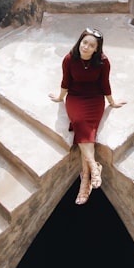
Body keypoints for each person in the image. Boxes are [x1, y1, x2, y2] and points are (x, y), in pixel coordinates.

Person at [49, 27, 126, 204]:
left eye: (91, 45)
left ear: (96, 49)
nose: (86, 47)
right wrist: (60, 97)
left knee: (84, 128)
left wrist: (112, 102)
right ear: (80, 42)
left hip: (95, 98)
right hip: (75, 97)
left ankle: (86, 178)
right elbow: (66, 82)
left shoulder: (103, 62)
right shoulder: (69, 59)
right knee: (79, 121)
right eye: (84, 42)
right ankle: (93, 166)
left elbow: (105, 83)